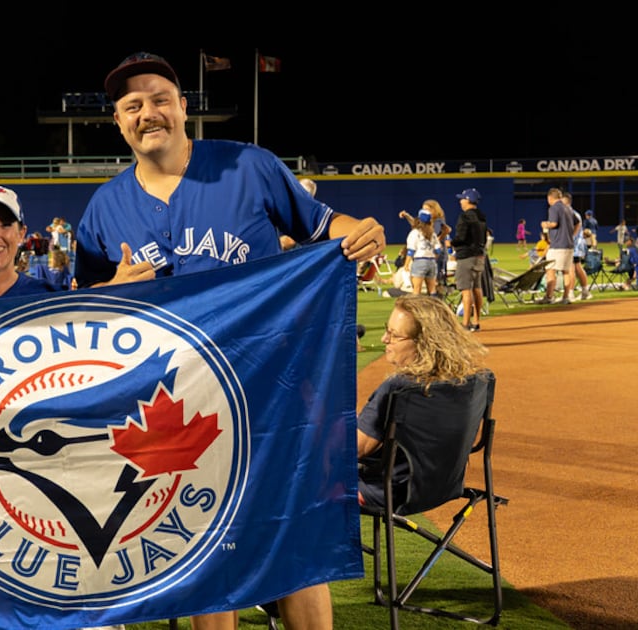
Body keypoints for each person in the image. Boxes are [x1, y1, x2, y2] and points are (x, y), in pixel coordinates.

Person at [73, 52, 385, 630]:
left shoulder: (249, 166)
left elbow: (322, 225)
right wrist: (111, 289)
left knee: (294, 549)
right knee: (202, 551)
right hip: (174, 409)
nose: (149, 113)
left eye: (160, 99)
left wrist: (359, 231)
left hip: (273, 395)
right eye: (132, 105)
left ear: (184, 108)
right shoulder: (103, 209)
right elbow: (82, 314)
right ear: (118, 122)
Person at [357, 295, 491, 506]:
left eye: (394, 335)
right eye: (387, 330)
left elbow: (355, 449)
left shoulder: (399, 387)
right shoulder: (473, 382)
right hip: (443, 487)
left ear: (424, 342)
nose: (384, 339)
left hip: (388, 491)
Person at [450, 188, 487, 331]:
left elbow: (461, 238)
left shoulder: (464, 217)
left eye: (462, 199)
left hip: (466, 256)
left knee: (466, 290)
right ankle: (476, 321)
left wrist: (451, 244)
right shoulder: (482, 216)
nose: (460, 201)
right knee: (477, 288)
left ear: (468, 200)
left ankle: (465, 323)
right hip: (479, 255)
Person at [537, 187, 578, 305]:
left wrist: (545, 224)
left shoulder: (554, 208)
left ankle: (549, 297)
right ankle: (566, 297)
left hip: (557, 245)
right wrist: (572, 235)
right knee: (566, 271)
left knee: (550, 270)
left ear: (550, 198)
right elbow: (578, 223)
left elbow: (554, 223)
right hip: (569, 244)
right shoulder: (568, 208)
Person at [400, 207, 443, 295]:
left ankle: (417, 308)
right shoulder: (433, 234)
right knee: (432, 290)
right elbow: (438, 250)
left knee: (416, 289)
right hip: (432, 263)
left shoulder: (415, 233)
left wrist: (406, 264)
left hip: (419, 262)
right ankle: (433, 308)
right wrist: (432, 258)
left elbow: (411, 251)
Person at [564, 192, 592, 302]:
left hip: (573, 245)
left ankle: (570, 293)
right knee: (577, 267)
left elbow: (575, 227)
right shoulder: (574, 213)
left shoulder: (569, 213)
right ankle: (585, 291)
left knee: (570, 268)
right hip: (578, 245)